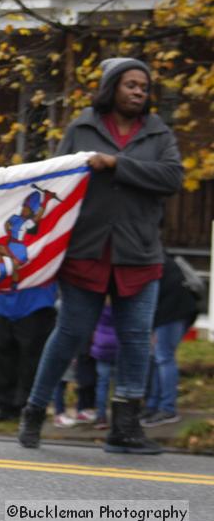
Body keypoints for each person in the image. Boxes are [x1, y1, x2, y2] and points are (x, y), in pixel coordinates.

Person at [18, 58, 183, 455]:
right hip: (86, 250)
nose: (139, 91)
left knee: (135, 338)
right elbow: (55, 177)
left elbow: (172, 178)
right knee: (71, 334)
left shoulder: (159, 133)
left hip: (139, 253)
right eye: (130, 84)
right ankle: (35, 412)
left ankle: (124, 429)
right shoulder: (82, 127)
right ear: (112, 87)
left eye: (143, 86)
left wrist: (116, 164)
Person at [0, 283, 58, 423]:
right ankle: (5, 407)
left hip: (36, 303)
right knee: (1, 356)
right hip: (3, 304)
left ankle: (31, 407)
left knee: (32, 360)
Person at [142, 254, 202, 427]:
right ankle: (154, 405)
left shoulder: (150, 260)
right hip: (178, 311)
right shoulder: (161, 256)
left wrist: (152, 326)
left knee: (163, 358)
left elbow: (154, 297)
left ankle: (167, 409)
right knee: (158, 357)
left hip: (170, 314)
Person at [91, 304, 118, 429]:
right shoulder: (124, 305)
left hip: (102, 347)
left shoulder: (99, 305)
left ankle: (101, 416)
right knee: (120, 385)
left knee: (102, 384)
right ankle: (120, 416)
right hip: (119, 346)